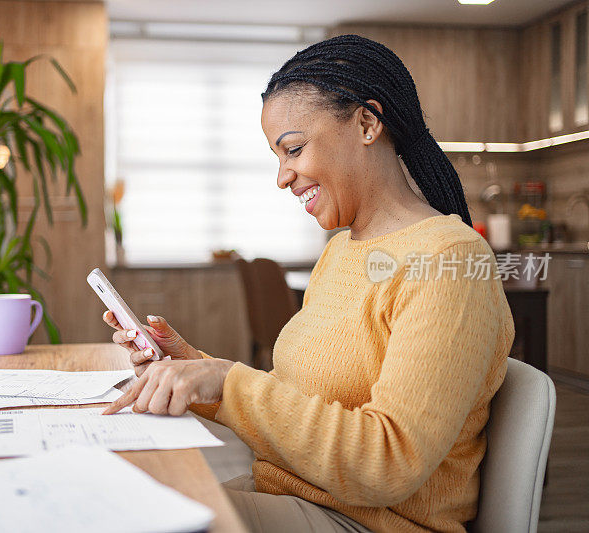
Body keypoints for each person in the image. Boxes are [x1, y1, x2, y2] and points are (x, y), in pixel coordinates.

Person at [102, 34, 514, 533]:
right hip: (294, 496)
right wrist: (191, 370)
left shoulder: (448, 261)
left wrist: (228, 381)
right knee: (121, 501)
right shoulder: (341, 251)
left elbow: (389, 462)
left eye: (293, 149)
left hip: (370, 521)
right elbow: (301, 398)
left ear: (367, 122)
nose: (282, 176)